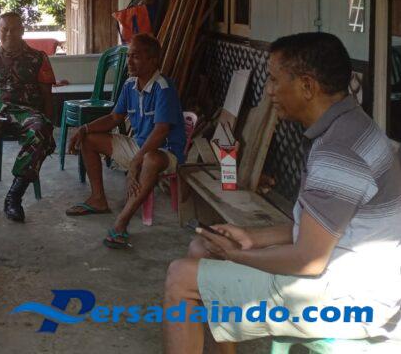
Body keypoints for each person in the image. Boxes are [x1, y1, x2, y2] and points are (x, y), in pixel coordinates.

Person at [163, 33, 401, 353]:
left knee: (179, 278)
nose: (269, 90)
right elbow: (321, 228)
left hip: (354, 300)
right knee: (200, 248)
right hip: (355, 275)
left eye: (275, 80)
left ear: (307, 86)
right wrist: (251, 238)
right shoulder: (351, 126)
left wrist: (237, 255)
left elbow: (308, 260)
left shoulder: (338, 153)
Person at [64, 33, 186, 249]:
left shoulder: (163, 88)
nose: (129, 61)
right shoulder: (130, 85)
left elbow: (161, 131)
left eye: (135, 56)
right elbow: (114, 118)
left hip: (165, 152)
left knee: (151, 159)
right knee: (89, 139)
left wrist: (136, 163)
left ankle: (121, 222)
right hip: (138, 146)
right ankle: (98, 199)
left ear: (152, 60)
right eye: (129, 56)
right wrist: (84, 129)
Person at [0, 12, 56, 222]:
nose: (9, 34)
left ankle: (14, 197)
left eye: (14, 29)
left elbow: (47, 97)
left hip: (27, 113)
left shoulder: (38, 58)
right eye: (4, 29)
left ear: (22, 31)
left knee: (40, 130)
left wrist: (48, 124)